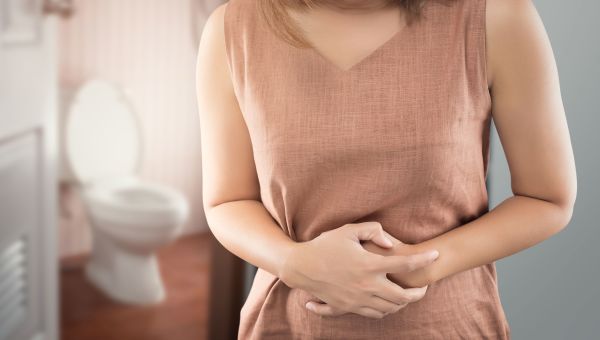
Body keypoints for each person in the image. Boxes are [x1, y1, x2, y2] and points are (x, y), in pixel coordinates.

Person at [195, 0, 576, 338]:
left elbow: (547, 199)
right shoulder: (231, 30)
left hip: (447, 325)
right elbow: (228, 201)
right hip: (290, 324)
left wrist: (419, 266)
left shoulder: (498, 16)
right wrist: (293, 263)